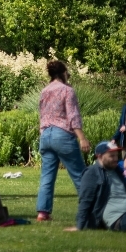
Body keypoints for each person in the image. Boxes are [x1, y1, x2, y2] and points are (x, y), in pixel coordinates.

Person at [36, 60, 90, 222]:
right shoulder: (67, 90)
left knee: (47, 176)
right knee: (80, 174)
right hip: (62, 135)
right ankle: (90, 210)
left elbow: (42, 115)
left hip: (45, 135)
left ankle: (43, 213)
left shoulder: (44, 91)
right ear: (62, 73)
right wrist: (82, 138)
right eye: (67, 73)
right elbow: (73, 116)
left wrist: (43, 132)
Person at [65, 140, 126, 232]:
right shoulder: (92, 173)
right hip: (118, 218)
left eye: (116, 155)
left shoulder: (116, 170)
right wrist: (79, 226)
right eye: (111, 156)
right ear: (100, 156)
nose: (116, 159)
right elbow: (85, 200)